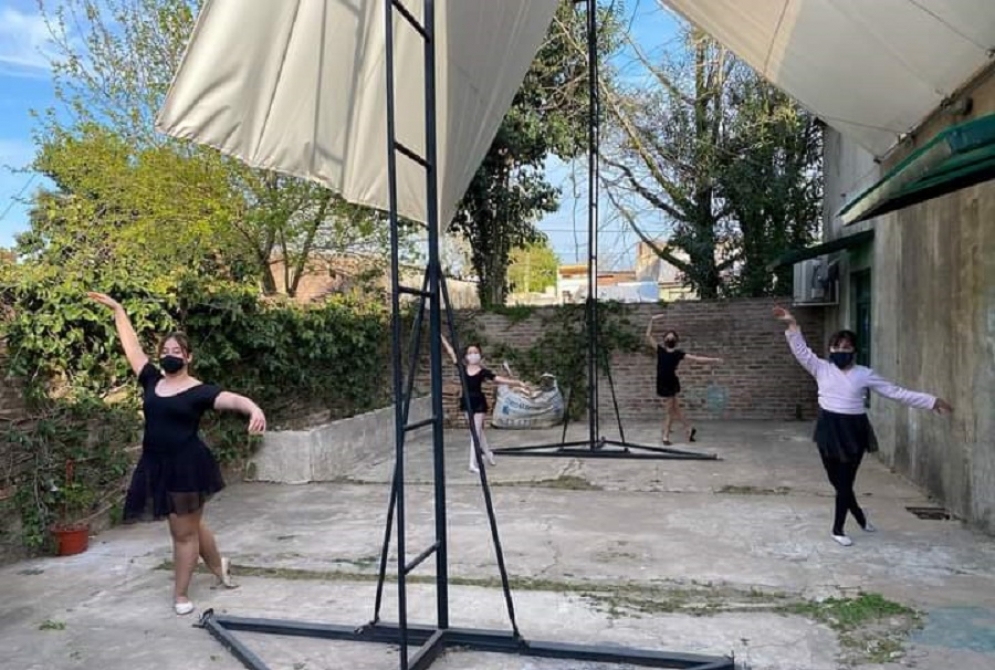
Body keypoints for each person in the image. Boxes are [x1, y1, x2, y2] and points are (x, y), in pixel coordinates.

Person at [88, 292, 267, 615]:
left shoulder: (198, 391)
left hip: (186, 466)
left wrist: (254, 408)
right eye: (166, 351)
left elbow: (233, 399)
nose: (170, 355)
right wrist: (119, 310)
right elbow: (132, 348)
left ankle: (181, 595)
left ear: (188, 357)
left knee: (181, 532)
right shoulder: (151, 380)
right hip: (155, 464)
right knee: (192, 526)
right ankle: (219, 566)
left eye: (177, 351)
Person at [773, 306, 953, 546]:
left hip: (853, 431)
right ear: (830, 349)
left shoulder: (864, 374)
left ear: (854, 350)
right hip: (828, 428)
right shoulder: (821, 368)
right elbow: (801, 351)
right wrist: (792, 323)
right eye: (837, 347)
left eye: (846, 347)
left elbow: (896, 392)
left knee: (846, 482)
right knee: (837, 482)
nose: (841, 351)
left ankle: (838, 529)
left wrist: (931, 401)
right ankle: (859, 515)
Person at [440, 335, 528, 473]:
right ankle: (488, 454)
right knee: (477, 432)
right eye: (470, 353)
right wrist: (442, 337)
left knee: (474, 433)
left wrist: (517, 382)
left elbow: (498, 379)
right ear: (466, 356)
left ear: (479, 355)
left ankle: (472, 463)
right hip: (466, 402)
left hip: (479, 402)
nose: (473, 355)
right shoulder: (462, 368)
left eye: (475, 352)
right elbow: (451, 352)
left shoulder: (483, 372)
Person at [645, 315, 722, 445]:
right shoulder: (660, 351)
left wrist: (713, 360)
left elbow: (696, 359)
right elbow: (648, 336)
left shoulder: (678, 354)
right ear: (664, 339)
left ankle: (666, 436)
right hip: (661, 383)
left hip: (671, 383)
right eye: (668, 336)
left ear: (676, 340)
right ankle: (689, 429)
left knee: (669, 411)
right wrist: (652, 320)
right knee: (676, 409)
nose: (670, 338)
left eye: (672, 337)